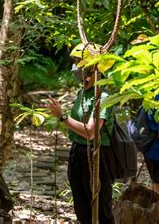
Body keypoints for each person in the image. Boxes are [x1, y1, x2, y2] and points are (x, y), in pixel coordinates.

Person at [46, 43, 116, 224]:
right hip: (77, 152)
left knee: (100, 209)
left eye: (79, 62)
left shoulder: (103, 96)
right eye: (76, 62)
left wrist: (62, 117)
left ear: (94, 67)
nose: (76, 67)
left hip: (96, 155)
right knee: (81, 206)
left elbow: (91, 132)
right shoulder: (81, 92)